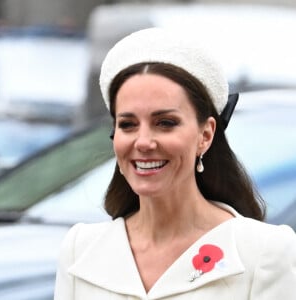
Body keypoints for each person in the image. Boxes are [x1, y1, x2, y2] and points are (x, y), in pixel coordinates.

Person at [54, 28, 296, 300]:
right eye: (128, 124)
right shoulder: (80, 248)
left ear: (206, 135)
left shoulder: (264, 252)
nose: (143, 141)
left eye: (165, 123)